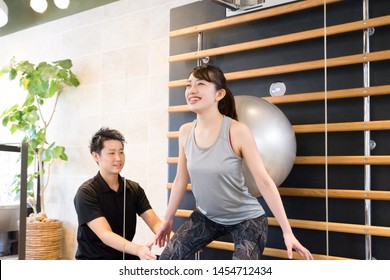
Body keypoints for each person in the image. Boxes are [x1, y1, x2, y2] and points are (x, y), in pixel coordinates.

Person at [154, 64, 313, 260]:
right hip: (207, 217)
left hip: (247, 219)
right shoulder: (185, 132)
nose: (192, 90)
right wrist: (167, 219)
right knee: (165, 261)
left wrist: (287, 232)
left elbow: (263, 181)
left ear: (219, 94)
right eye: (189, 85)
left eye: (201, 84)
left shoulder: (237, 131)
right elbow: (180, 179)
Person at [74, 127, 162, 260]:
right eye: (111, 153)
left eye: (121, 152)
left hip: (124, 257)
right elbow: (105, 234)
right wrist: (138, 249)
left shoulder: (133, 189)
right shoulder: (86, 192)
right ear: (96, 156)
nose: (118, 158)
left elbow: (155, 223)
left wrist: (180, 241)